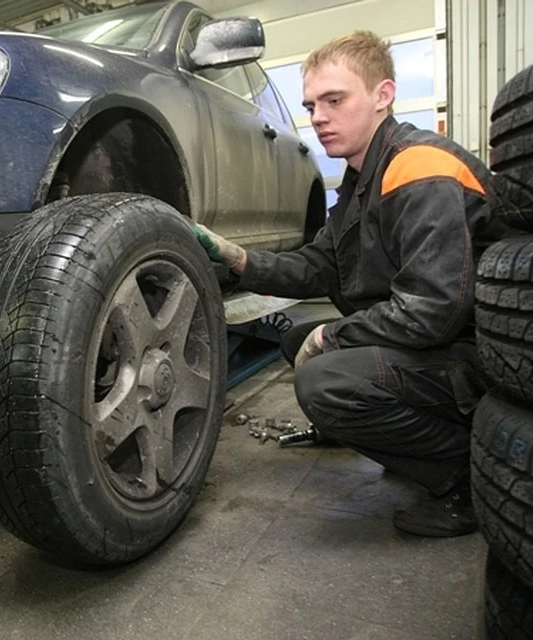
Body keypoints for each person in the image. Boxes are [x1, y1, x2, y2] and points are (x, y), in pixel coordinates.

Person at [194, 31, 510, 537]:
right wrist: (238, 258)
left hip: (482, 356)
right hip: (440, 343)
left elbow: (433, 310)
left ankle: (464, 478)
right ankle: (399, 435)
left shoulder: (419, 167)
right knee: (297, 338)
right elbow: (318, 266)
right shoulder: (360, 182)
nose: (318, 117)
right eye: (311, 105)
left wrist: (332, 337)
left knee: (325, 379)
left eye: (334, 100)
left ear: (383, 95)